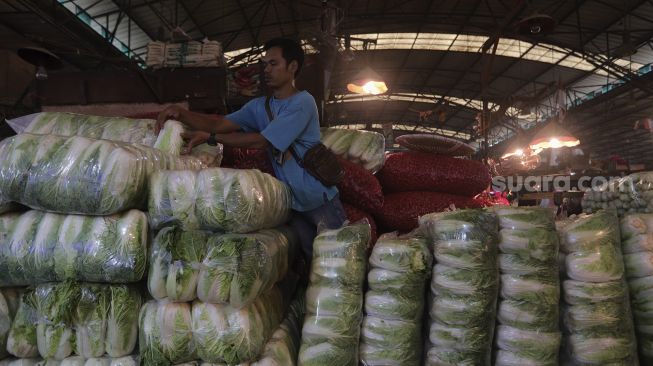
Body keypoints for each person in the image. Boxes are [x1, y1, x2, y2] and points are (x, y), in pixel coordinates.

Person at [155, 37, 347, 262]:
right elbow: (219, 124)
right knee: (310, 261)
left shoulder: (303, 102)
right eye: (264, 64)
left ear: (293, 67)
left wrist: (212, 138)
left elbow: (263, 141)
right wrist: (181, 113)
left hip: (318, 198)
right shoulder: (258, 107)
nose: (266, 69)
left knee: (338, 259)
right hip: (293, 203)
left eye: (273, 64)